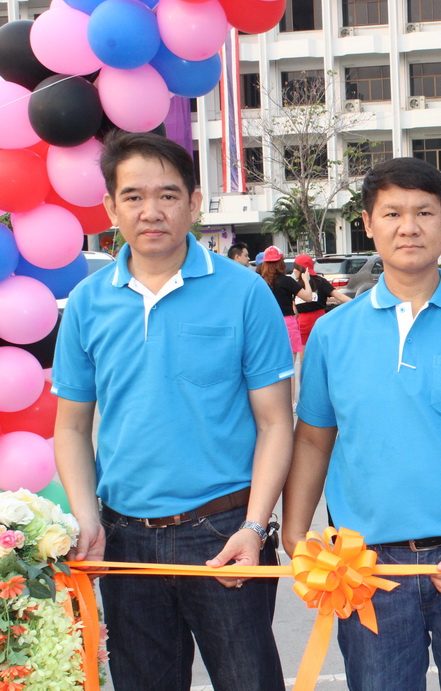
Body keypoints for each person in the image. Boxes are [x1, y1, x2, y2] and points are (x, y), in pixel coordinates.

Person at [282, 157, 441, 691]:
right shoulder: (332, 332)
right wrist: (294, 529)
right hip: (366, 568)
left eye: (424, 212)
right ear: (368, 223)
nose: (409, 227)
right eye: (392, 213)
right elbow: (312, 441)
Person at [52, 132, 294, 690]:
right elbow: (71, 427)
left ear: (194, 202)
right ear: (111, 208)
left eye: (167, 195)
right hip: (124, 542)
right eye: (133, 196)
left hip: (223, 533)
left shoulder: (244, 292)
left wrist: (255, 526)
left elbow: (276, 422)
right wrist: (87, 519)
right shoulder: (88, 301)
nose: (151, 211)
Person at [291, 253, 350, 348]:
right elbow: (339, 296)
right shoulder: (318, 282)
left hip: (312, 322)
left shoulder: (316, 282)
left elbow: (339, 296)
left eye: (295, 268)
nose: (293, 270)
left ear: (301, 269)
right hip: (312, 321)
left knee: (306, 354)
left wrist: (358, 303)